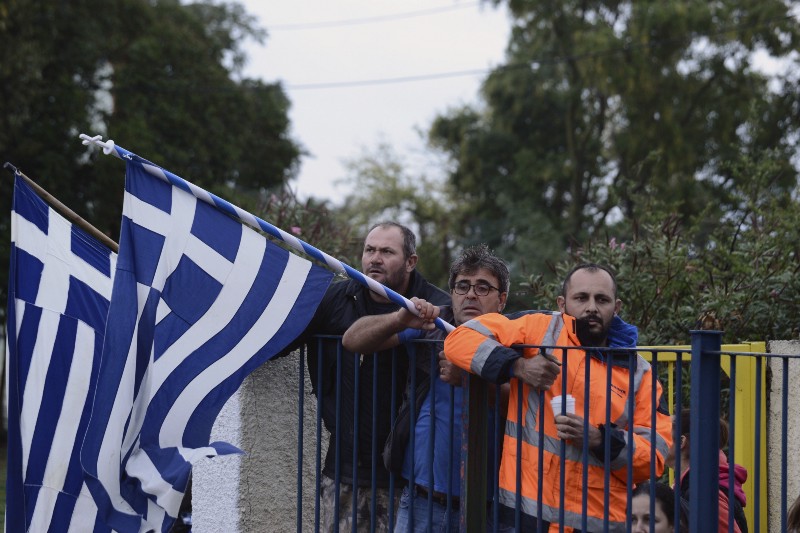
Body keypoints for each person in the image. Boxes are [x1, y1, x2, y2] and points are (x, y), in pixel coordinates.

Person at [444, 263, 673, 531]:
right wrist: (518, 367)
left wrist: (600, 439)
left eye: (602, 299)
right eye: (581, 297)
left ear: (617, 306)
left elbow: (655, 459)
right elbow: (461, 338)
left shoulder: (641, 374)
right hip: (523, 518)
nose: (591, 307)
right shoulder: (538, 329)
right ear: (562, 303)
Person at [281, 221, 450, 533]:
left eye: (387, 251)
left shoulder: (439, 309)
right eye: (370, 250)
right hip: (345, 469)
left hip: (410, 478)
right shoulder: (336, 299)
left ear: (411, 262)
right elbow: (281, 338)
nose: (375, 258)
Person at [342, 244, 510, 532]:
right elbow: (352, 340)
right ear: (452, 292)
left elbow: (523, 402)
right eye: (462, 286)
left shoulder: (517, 337)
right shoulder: (434, 325)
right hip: (421, 499)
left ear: (502, 299)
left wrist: (471, 380)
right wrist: (398, 318)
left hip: (490, 505)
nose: (470, 294)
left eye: (483, 288)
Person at [666, 409, 748, 533]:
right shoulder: (689, 486)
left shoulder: (705, 494)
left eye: (663, 431)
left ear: (682, 442)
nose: (656, 438)